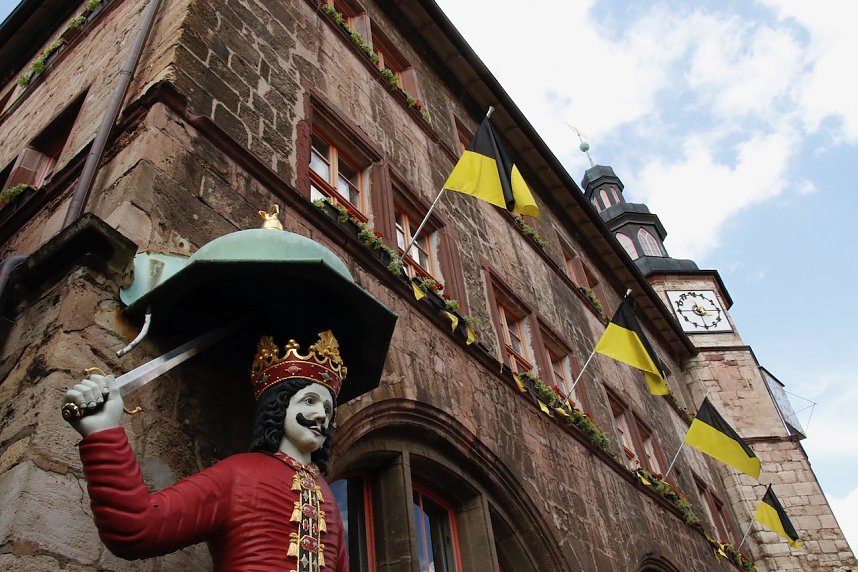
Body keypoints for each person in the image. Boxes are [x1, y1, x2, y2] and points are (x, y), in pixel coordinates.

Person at [63, 331, 349, 572]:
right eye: (309, 401)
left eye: (327, 408)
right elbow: (138, 528)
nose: (321, 415)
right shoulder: (240, 472)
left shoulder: (329, 499)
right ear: (279, 408)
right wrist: (103, 433)